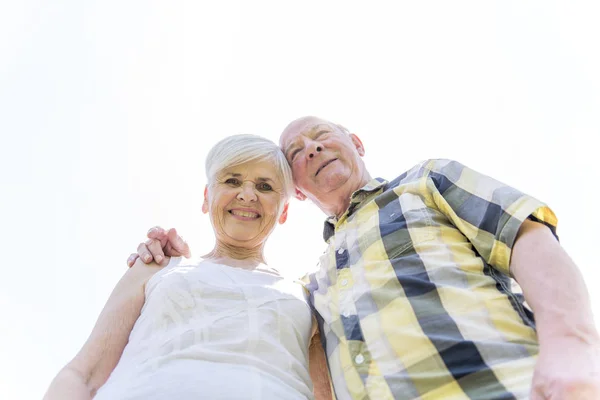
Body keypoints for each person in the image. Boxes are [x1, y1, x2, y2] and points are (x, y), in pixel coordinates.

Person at [130, 117, 600, 400]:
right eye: (296, 151)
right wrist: (182, 270)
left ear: (355, 142)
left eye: (321, 136)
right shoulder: (310, 285)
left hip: (506, 386)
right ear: (297, 188)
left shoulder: (425, 183)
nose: (311, 148)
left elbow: (526, 236)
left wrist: (571, 347)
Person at [44, 134, 332, 400]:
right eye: (232, 181)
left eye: (264, 186)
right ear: (206, 198)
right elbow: (84, 374)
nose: (247, 194)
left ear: (283, 211)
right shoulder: (156, 267)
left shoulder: (307, 297)